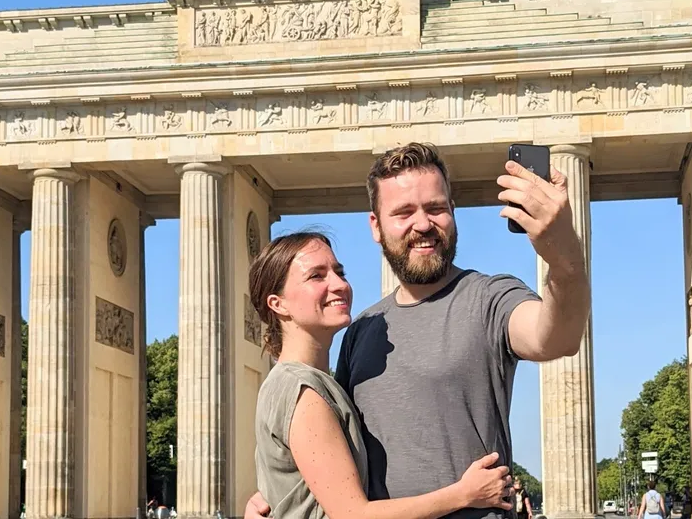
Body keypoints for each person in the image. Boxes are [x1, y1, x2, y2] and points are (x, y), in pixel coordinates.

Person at [246, 142, 590, 518]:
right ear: (376, 226)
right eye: (404, 212)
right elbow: (333, 462)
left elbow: (558, 337)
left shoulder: (490, 299)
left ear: (453, 211)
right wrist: (279, 491)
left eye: (435, 208)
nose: (423, 224)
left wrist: (563, 252)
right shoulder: (361, 331)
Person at [250, 230, 515, 518]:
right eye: (316, 276)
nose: (339, 284)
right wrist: (464, 494)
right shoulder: (302, 390)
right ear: (278, 303)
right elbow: (352, 514)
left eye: (339, 272)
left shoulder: (304, 383)